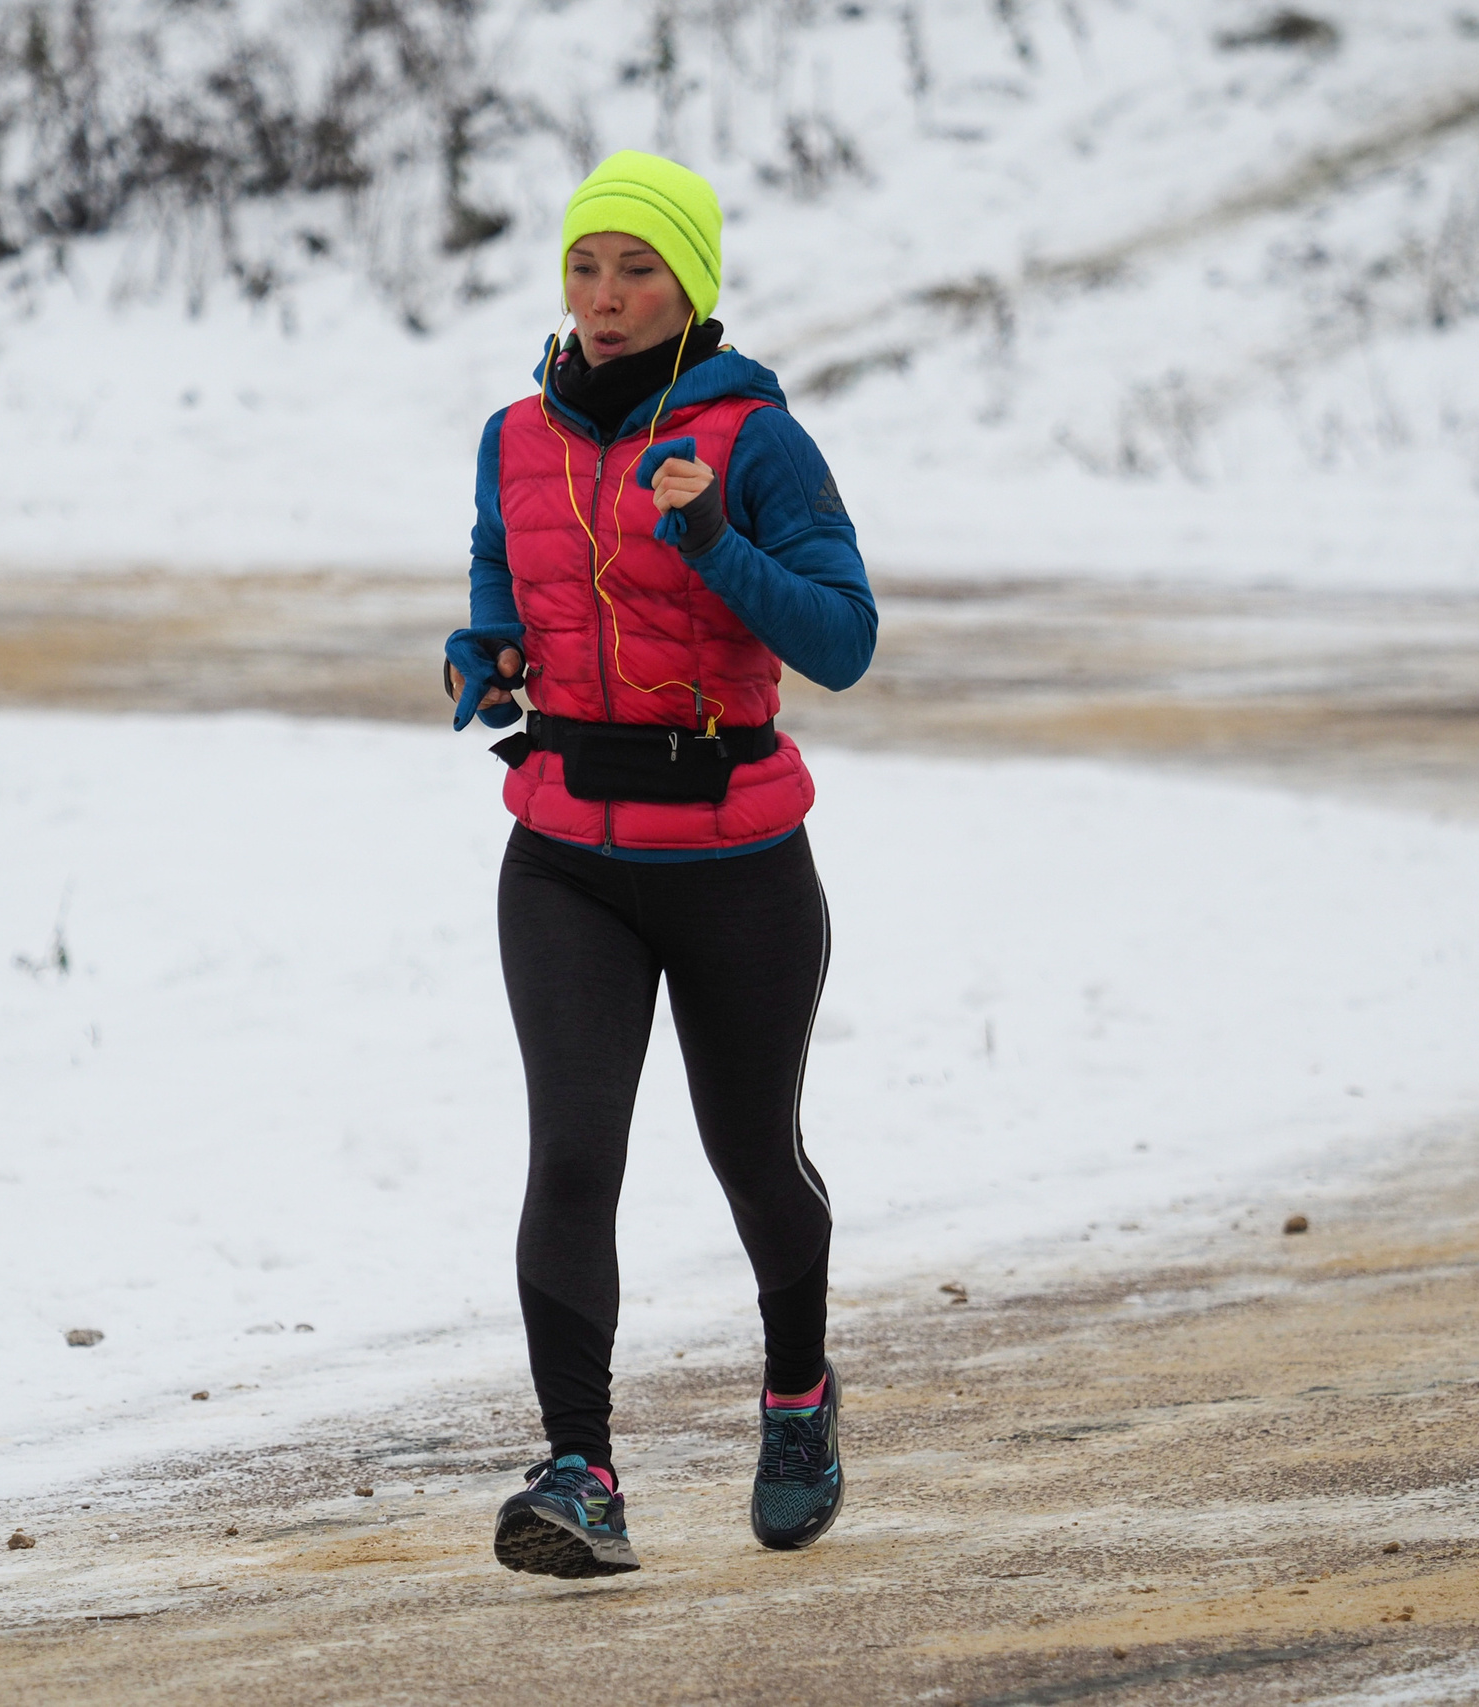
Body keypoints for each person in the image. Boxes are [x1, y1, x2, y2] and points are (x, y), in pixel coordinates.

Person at [443, 150, 877, 1579]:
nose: (608, 296)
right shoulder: (514, 438)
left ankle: (800, 1398)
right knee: (572, 1155)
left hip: (739, 856)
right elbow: (501, 587)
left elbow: (842, 641)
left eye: (639, 268)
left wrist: (706, 537)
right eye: (585, 265)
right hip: (565, 854)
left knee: (753, 1156)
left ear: (693, 284)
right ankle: (581, 1470)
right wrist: (484, 657)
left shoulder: (759, 444)